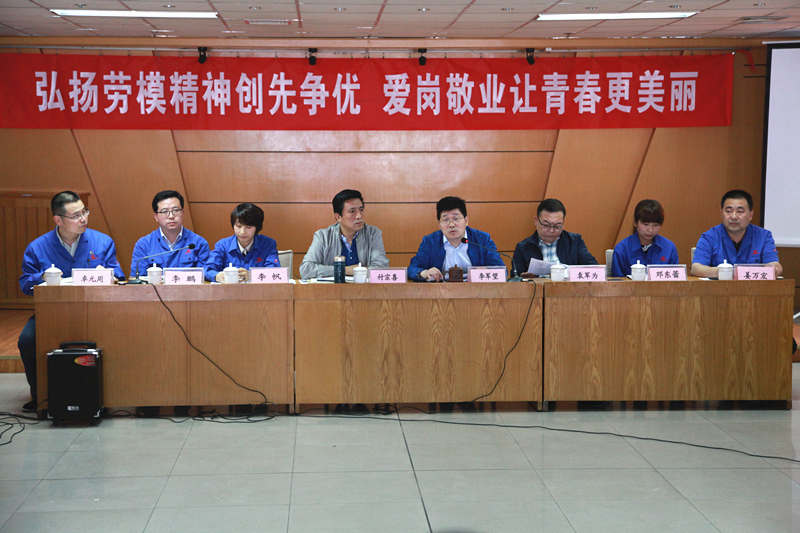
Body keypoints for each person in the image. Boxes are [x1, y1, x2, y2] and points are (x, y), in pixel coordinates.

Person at [18, 191, 125, 412]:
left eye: (85, 212)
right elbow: (25, 285)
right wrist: (42, 277)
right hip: (52, 313)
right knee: (27, 340)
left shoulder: (102, 242)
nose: (83, 219)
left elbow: (119, 276)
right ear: (58, 220)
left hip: (96, 311)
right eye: (76, 216)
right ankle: (41, 396)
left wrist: (109, 276)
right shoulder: (37, 247)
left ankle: (108, 395)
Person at [408, 196, 504, 281]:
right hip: (441, 291)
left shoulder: (482, 239)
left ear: (466, 221)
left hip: (476, 291)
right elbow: (412, 269)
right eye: (446, 220)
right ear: (439, 224)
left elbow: (502, 270)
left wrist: (487, 271)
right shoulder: (430, 242)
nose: (451, 225)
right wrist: (424, 273)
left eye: (456, 219)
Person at [691, 189, 783, 278]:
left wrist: (773, 269)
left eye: (740, 211)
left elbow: (775, 266)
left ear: (750, 215)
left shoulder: (763, 236)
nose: (734, 216)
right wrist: (725, 272)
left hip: (754, 288)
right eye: (728, 211)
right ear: (721, 213)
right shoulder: (709, 237)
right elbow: (696, 268)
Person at [299, 189, 389, 279]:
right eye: (352, 211)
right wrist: (345, 270)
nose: (359, 216)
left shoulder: (373, 234)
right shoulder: (323, 236)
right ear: (338, 217)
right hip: (333, 287)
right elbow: (306, 270)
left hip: (364, 287)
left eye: (361, 210)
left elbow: (381, 268)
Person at [130, 190, 210, 278]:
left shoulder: (198, 243)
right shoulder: (144, 244)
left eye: (175, 210)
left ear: (182, 213)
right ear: (156, 217)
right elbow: (137, 280)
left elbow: (204, 278)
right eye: (165, 211)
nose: (171, 216)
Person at [512, 198, 597, 275]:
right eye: (546, 225)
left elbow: (594, 270)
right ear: (536, 221)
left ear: (563, 223)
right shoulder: (523, 248)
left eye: (557, 226)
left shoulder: (574, 242)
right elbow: (514, 280)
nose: (551, 230)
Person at [205, 203, 280, 282]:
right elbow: (208, 270)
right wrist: (217, 276)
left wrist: (252, 276)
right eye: (238, 226)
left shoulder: (268, 244)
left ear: (257, 228)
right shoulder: (222, 245)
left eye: (248, 227)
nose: (242, 232)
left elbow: (275, 272)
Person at [612, 199, 679, 277]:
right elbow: (617, 281)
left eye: (655, 225)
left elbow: (675, 279)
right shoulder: (622, 249)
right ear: (635, 223)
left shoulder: (669, 248)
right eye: (646, 224)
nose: (650, 230)